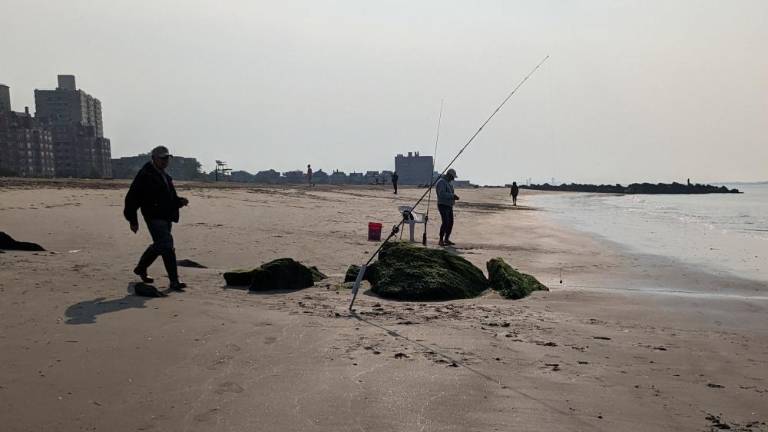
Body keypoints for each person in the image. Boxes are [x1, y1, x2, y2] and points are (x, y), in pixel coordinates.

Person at [124, 146, 189, 291]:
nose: (165, 161)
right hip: (153, 216)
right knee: (166, 244)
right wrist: (132, 220)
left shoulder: (164, 175)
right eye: (162, 158)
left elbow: (168, 198)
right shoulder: (145, 175)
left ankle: (141, 268)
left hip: (166, 215)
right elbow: (132, 198)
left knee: (161, 245)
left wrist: (180, 201)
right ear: (153, 158)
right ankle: (174, 281)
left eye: (167, 158)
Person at [435, 168, 459, 246]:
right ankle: (441, 240)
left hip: (449, 205)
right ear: (449, 175)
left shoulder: (448, 183)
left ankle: (446, 239)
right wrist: (452, 196)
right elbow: (441, 194)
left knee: (450, 223)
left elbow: (448, 193)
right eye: (452, 177)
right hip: (442, 205)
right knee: (445, 222)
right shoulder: (441, 182)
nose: (453, 179)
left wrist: (453, 197)